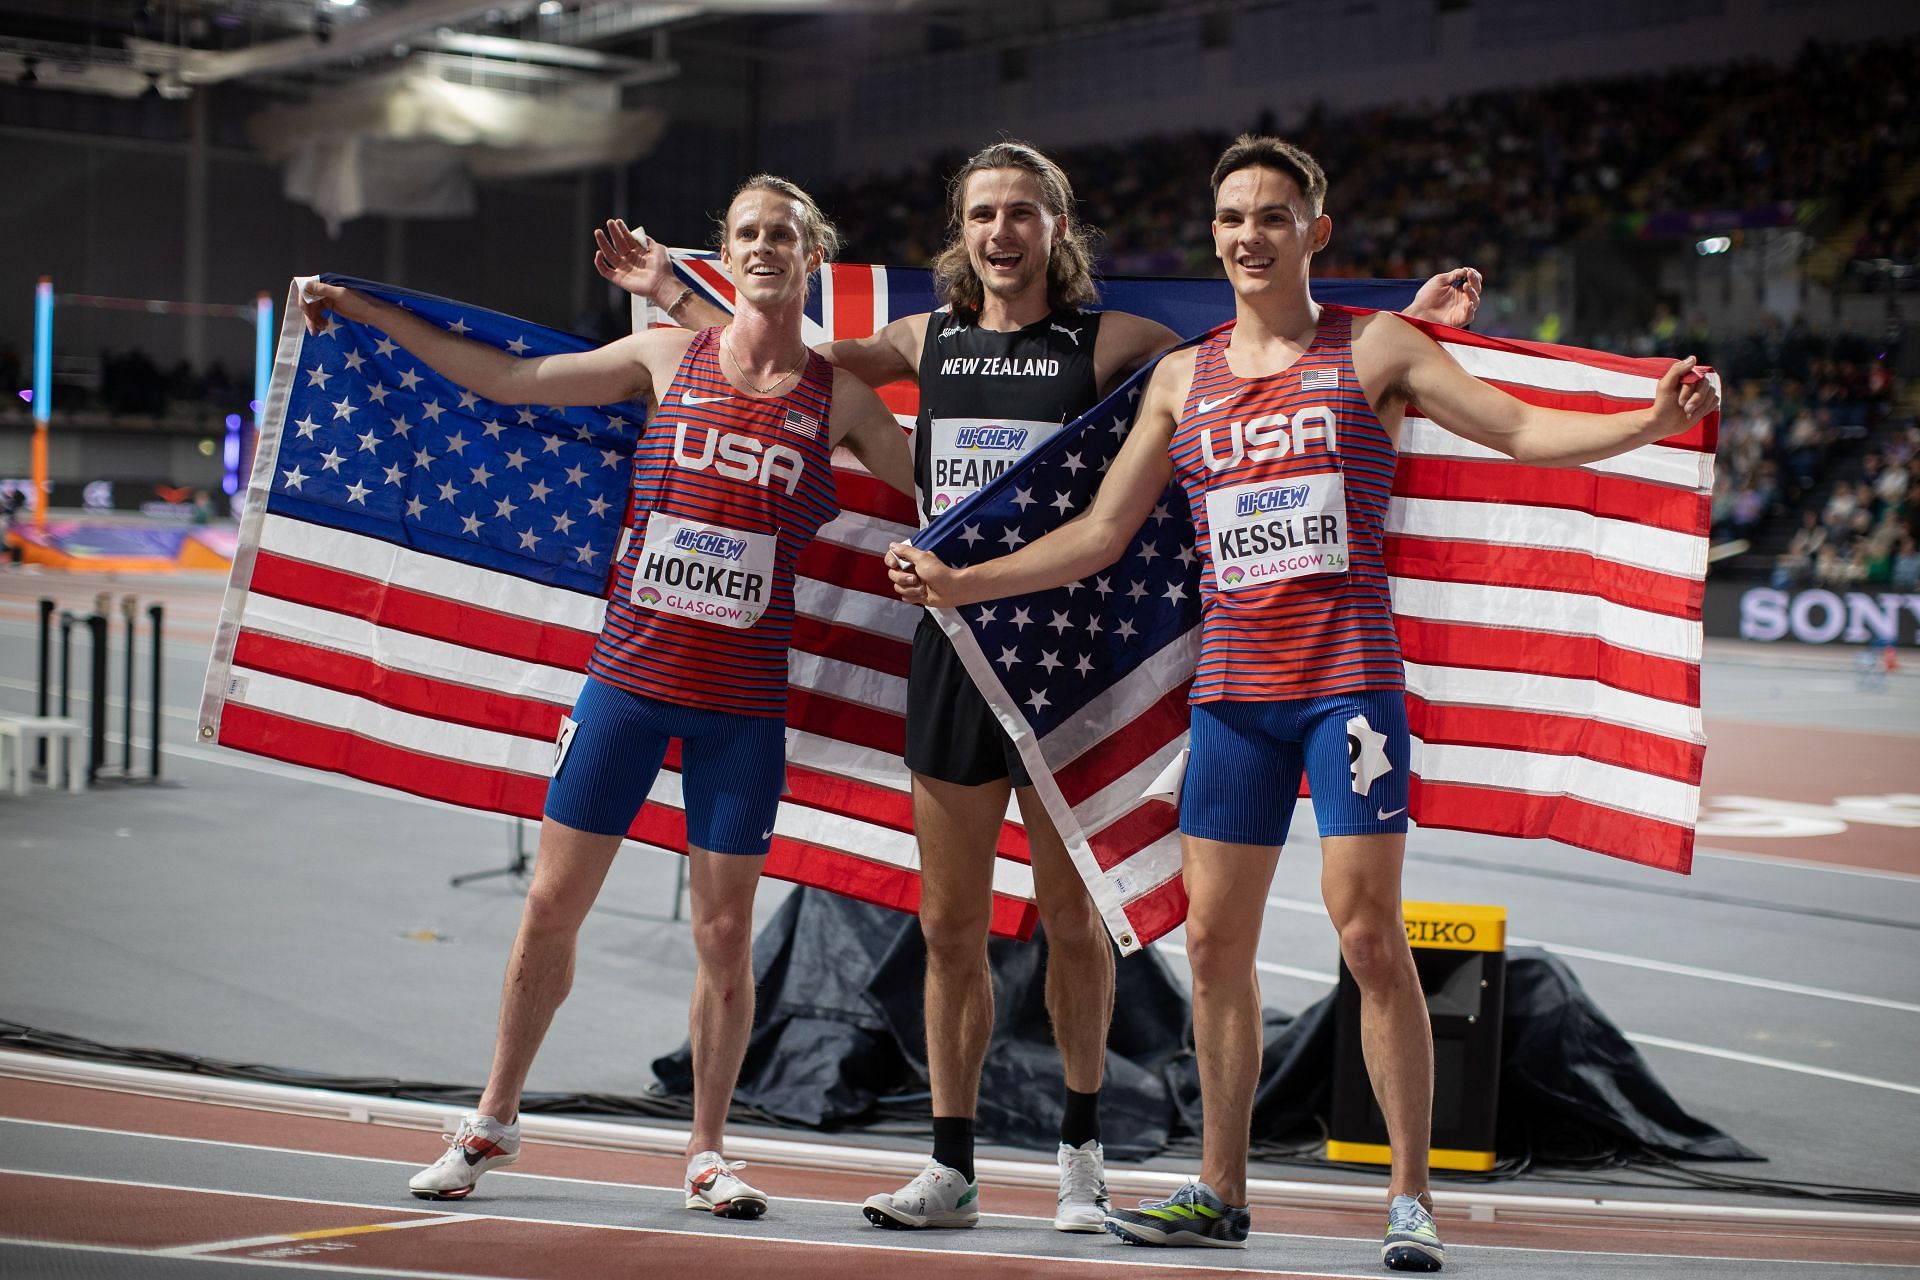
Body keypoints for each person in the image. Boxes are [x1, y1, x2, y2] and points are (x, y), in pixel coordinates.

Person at [597, 139, 1483, 1235]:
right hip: (954, 661)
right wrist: (672, 293)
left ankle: (1081, 1157)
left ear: (1055, 228)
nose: (1001, 232)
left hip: (1072, 674)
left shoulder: (1119, 342)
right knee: (950, 925)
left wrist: (1417, 322)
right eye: (981, 214)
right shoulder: (921, 340)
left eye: (1022, 212)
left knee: (1073, 923)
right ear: (960, 232)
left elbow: (1265, 342)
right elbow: (782, 354)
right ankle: (953, 1163)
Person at [885, 135, 1716, 1269]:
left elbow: (1517, 428)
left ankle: (1409, 1199)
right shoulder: (1186, 375)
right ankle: (1220, 1190)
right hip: (1233, 700)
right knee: (1217, 946)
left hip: (1347, 690)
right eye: (1233, 217)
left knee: (1372, 939)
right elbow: (1098, 531)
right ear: (1214, 233)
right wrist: (965, 582)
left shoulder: (1375, 347)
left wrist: (1647, 423)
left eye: (1273, 216)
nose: (1249, 235)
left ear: (1313, 232)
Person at [300, 174, 914, 1221]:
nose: (767, 246)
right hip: (626, 685)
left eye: (785, 235)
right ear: (728, 250)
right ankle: (492, 1116)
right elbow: (506, 378)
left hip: (741, 708)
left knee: (725, 936)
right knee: (550, 905)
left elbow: (944, 502)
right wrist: (363, 307)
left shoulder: (840, 400)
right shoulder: (666, 356)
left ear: (815, 255)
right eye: (749, 233)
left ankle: (710, 1151)